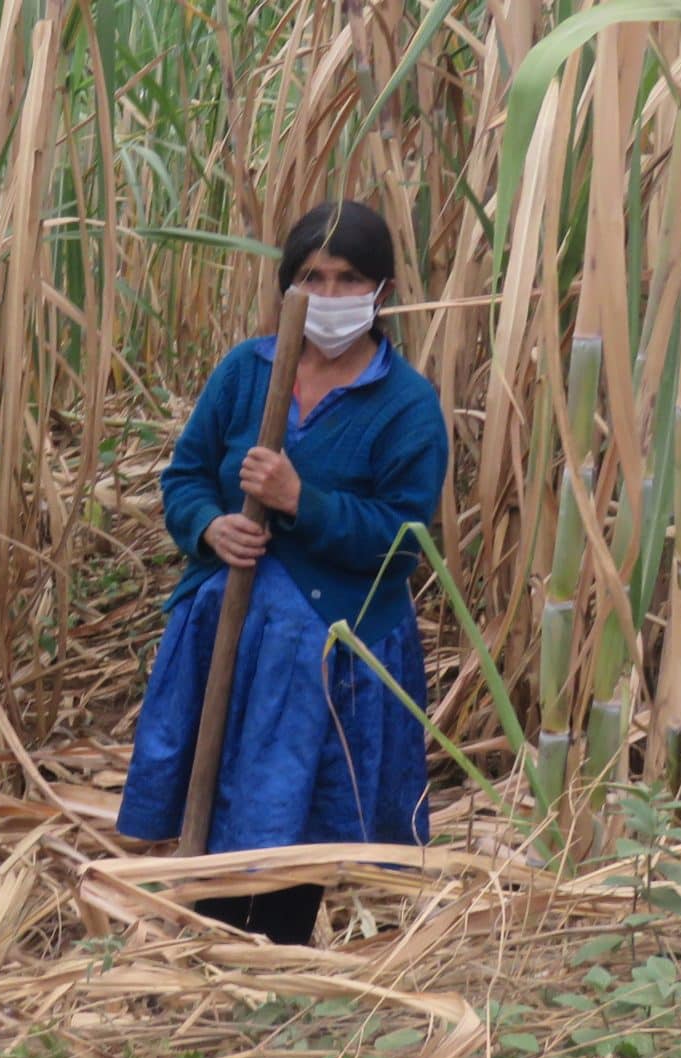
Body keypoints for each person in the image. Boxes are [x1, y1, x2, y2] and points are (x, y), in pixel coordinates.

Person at [114, 200, 448, 946]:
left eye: (347, 278)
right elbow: (188, 477)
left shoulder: (406, 407)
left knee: (296, 810)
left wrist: (303, 501)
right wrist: (209, 525)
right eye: (311, 278)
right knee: (218, 798)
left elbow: (402, 538)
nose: (328, 296)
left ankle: (278, 963)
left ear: (381, 292)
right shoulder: (246, 373)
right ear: (287, 287)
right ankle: (213, 954)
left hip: (330, 657)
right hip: (228, 635)